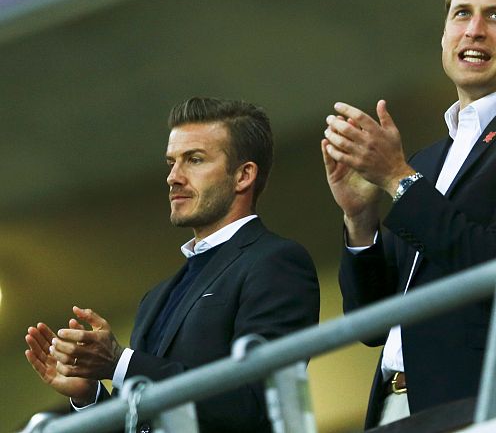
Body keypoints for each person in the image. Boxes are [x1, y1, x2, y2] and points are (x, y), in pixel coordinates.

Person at [322, 0, 496, 427]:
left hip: (476, 403)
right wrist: (360, 219)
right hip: (393, 406)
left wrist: (397, 180)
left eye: (495, 16)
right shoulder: (428, 162)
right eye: (461, 14)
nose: (474, 30)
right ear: (444, 34)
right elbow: (370, 324)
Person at [24, 97, 320, 433]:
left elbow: (260, 401)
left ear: (243, 176)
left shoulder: (274, 261)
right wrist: (90, 395)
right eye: (171, 162)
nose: (173, 177)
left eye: (194, 160)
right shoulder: (155, 298)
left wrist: (121, 363)